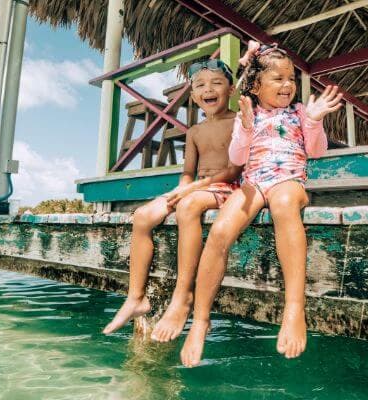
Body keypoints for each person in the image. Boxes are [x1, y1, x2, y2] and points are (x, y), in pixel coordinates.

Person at [180, 41, 343, 367]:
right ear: (255, 85)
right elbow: (238, 157)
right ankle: (200, 320)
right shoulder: (246, 116)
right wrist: (247, 127)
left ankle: (294, 308)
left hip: (288, 182)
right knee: (220, 232)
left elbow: (317, 150)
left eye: (291, 79)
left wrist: (314, 120)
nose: (287, 85)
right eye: (278, 79)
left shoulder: (300, 112)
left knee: (283, 203)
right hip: (253, 184)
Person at [103, 60, 241, 343]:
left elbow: (236, 168)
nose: (208, 89)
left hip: (227, 187)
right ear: (193, 95)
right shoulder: (194, 132)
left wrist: (190, 192)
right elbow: (187, 172)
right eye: (200, 85)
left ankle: (183, 296)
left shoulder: (239, 122)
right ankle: (135, 298)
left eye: (216, 83)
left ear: (231, 89)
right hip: (197, 186)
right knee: (143, 215)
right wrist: (180, 191)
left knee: (188, 206)